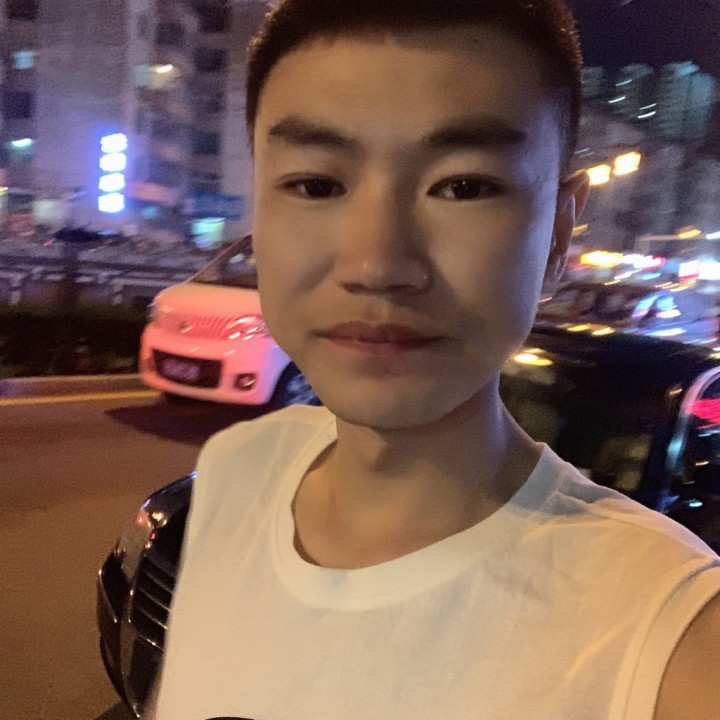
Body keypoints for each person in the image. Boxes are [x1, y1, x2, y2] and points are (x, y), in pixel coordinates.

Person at [147, 1, 720, 718]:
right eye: (317, 184)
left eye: (463, 186)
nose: (376, 264)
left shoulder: (672, 641)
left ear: (557, 235)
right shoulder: (237, 469)